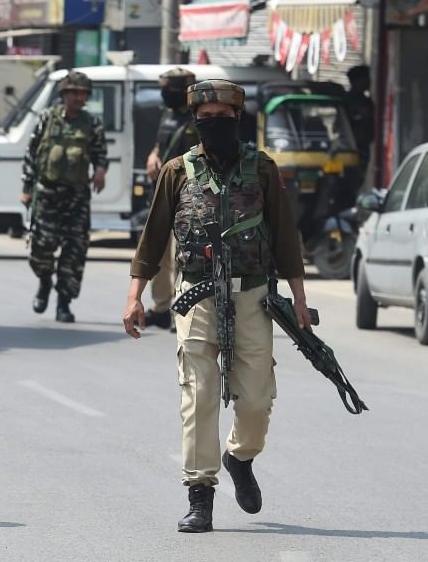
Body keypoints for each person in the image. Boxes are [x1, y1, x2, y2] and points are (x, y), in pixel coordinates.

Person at [121, 80, 314, 534]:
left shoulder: (262, 169)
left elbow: (285, 236)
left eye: (222, 119)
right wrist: (135, 296)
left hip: (252, 295)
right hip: (196, 294)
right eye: (205, 119)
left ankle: (240, 457)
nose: (214, 126)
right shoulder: (177, 171)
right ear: (196, 123)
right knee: (199, 394)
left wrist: (300, 297)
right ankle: (200, 495)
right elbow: (152, 238)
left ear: (238, 120)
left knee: (256, 400)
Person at [20, 71, 108, 324]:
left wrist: (100, 171)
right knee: (41, 247)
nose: (81, 98)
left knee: (74, 251)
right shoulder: (47, 119)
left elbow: (101, 154)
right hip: (47, 194)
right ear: (65, 94)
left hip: (77, 197)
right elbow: (31, 153)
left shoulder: (92, 124)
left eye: (84, 94)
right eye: (76, 93)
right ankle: (45, 280)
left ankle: (63, 303)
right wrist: (27, 187)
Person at [142, 68, 199, 331]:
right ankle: (162, 306)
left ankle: (180, 309)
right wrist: (153, 156)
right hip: (161, 195)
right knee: (158, 254)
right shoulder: (167, 115)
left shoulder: (198, 119)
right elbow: (159, 144)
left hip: (187, 196)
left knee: (181, 255)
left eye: (170, 91)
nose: (166, 96)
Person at [344, 66, 376, 178]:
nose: (368, 82)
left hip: (363, 145)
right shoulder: (348, 100)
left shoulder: (366, 100)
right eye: (365, 79)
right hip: (352, 145)